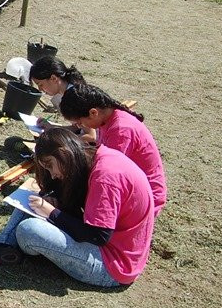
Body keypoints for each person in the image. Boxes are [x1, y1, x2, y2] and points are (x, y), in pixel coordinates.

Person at [0, 128, 155, 287]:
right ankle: (2, 247)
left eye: (49, 165)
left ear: (64, 154)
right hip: (109, 249)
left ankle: (6, 248)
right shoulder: (96, 157)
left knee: (29, 229)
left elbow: (98, 235)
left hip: (111, 266)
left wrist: (52, 213)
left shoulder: (105, 177)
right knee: (31, 198)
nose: (52, 174)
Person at [60, 84, 167, 218]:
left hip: (144, 198)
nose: (80, 126)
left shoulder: (121, 130)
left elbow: (108, 173)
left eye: (80, 122)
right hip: (129, 185)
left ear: (93, 112)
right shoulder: (106, 119)